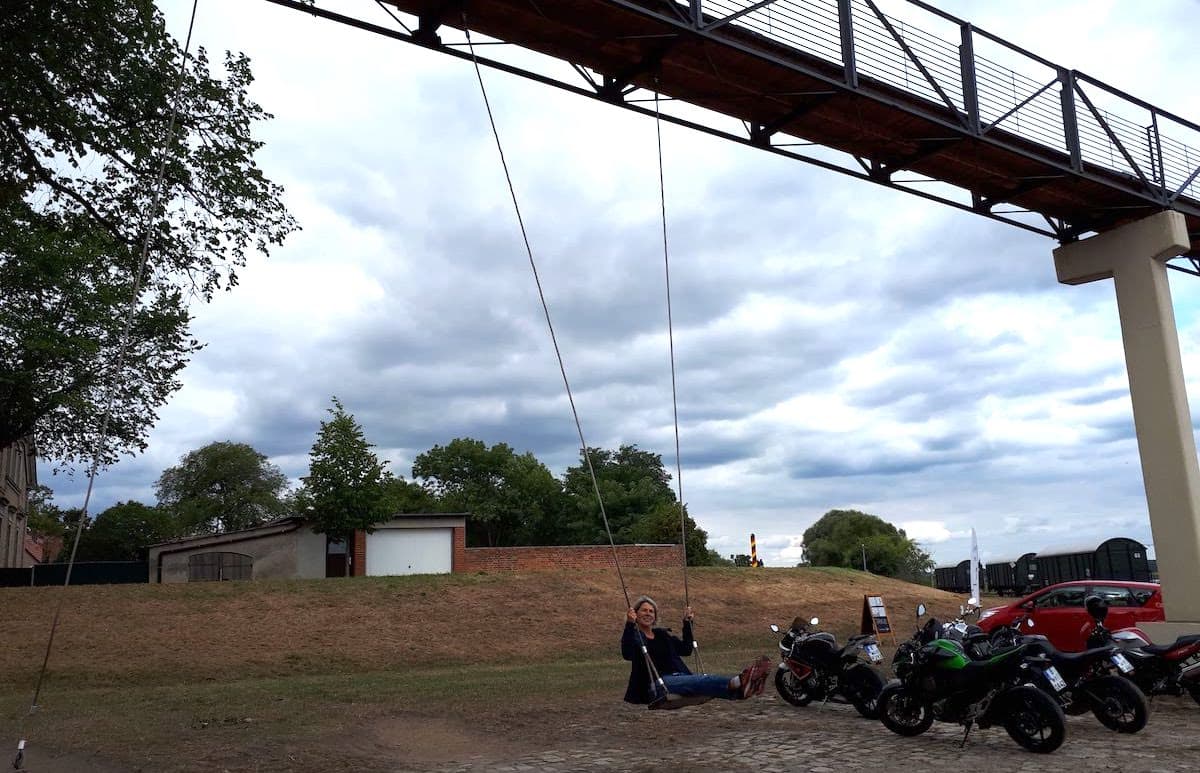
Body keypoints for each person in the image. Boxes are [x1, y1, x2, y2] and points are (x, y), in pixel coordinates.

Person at [621, 595, 772, 704]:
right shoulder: (636, 636)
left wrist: (687, 624)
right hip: (659, 684)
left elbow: (686, 650)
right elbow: (627, 654)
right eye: (644, 610)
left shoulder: (662, 635)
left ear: (655, 616)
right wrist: (629, 625)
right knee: (704, 680)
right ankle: (741, 681)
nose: (648, 614)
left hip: (679, 677)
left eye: (651, 611)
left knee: (704, 684)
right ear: (635, 614)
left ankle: (742, 689)